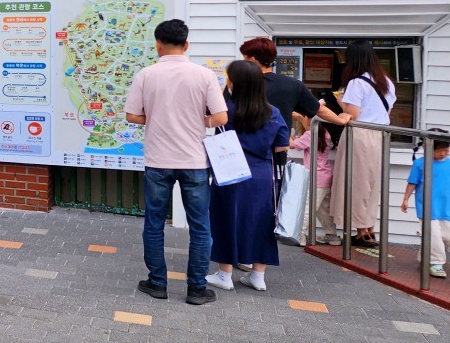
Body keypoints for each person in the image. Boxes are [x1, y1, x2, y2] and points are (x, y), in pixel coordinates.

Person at [124, 19, 228, 306]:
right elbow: (220, 118)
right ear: (186, 45)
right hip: (194, 160)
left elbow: (132, 116)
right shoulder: (204, 75)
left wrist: (155, 117)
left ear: (158, 45)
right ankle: (196, 288)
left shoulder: (146, 74)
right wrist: (199, 120)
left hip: (158, 160)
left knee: (154, 223)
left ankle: (157, 283)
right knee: (200, 226)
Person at [206, 60, 290, 292]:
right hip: (261, 175)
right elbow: (282, 145)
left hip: (230, 172)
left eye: (229, 78)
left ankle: (225, 274)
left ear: (236, 83)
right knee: (261, 222)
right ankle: (258, 276)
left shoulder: (227, 111)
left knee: (226, 219)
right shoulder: (273, 112)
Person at [329, 40, 396, 248]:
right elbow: (387, 113)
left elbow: (352, 114)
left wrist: (340, 103)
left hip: (360, 135)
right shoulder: (386, 81)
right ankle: (368, 229)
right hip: (381, 135)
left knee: (356, 183)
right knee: (372, 183)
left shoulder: (356, 83)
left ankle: (361, 232)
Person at [240, 37, 349, 132]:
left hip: (244, 146)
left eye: (244, 59)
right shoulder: (292, 85)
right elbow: (319, 109)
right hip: (278, 146)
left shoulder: (239, 83)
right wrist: (340, 120)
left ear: (253, 60)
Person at [401, 132, 449, 279]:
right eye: (439, 150)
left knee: (446, 236)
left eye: (446, 150)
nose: (443, 153)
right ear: (428, 148)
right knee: (433, 235)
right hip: (427, 207)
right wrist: (405, 199)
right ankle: (435, 262)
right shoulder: (420, 164)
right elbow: (412, 183)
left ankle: (425, 257)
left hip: (445, 207)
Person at [290, 123, 338, 244]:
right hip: (326, 175)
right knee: (323, 209)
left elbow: (291, 145)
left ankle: (300, 235)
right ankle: (331, 235)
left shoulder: (309, 135)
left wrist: (288, 132)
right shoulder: (326, 134)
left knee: (308, 207)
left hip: (315, 177)